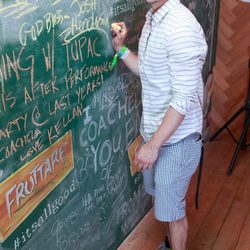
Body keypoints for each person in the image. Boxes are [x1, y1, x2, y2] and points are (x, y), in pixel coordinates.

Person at [111, 0, 208, 249]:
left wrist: (153, 146)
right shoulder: (153, 19)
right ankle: (168, 244)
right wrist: (121, 49)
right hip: (156, 134)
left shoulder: (180, 26)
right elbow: (147, 70)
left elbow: (183, 100)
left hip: (177, 141)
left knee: (172, 211)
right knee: (165, 204)